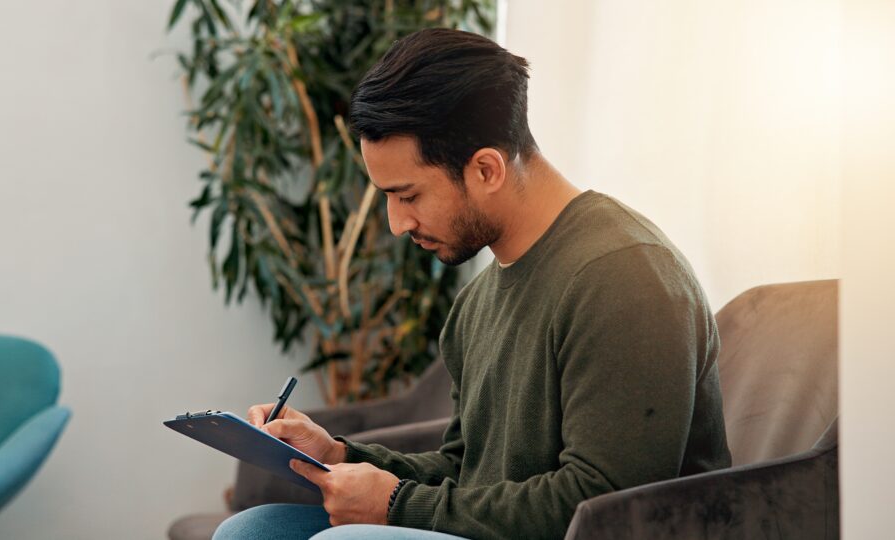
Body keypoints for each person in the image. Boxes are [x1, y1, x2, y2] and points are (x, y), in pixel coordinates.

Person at [213, 28, 731, 540]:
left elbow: (601, 505)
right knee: (253, 531)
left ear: (486, 169)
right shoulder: (477, 302)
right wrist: (340, 455)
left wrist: (396, 507)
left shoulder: (625, 278)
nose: (397, 223)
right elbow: (469, 472)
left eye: (408, 195)